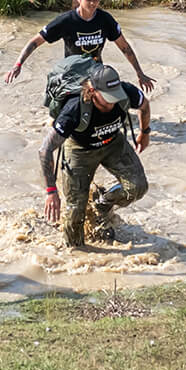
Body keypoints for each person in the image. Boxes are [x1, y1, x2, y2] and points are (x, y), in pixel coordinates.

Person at [39, 65, 151, 248]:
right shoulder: (74, 109)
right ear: (92, 91)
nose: (113, 102)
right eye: (108, 97)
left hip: (113, 144)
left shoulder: (126, 92)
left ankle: (102, 204)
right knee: (75, 211)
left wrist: (145, 132)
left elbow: (144, 104)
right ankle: (75, 252)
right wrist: (51, 191)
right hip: (80, 150)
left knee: (138, 187)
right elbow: (45, 149)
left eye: (115, 96)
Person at [5, 0, 156, 92]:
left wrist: (139, 73)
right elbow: (35, 42)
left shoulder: (105, 20)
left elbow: (125, 48)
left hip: (97, 72)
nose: (93, 3)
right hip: (73, 74)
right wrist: (17, 65)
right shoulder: (66, 21)